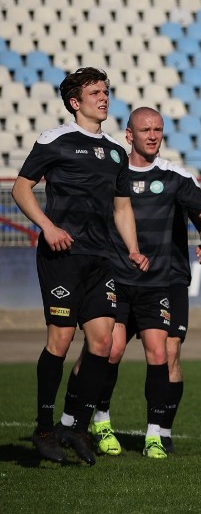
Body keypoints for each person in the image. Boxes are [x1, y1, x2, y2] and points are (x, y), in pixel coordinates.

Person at [59, 106, 201, 458]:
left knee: (166, 352)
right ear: (129, 135)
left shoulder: (174, 175)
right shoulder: (111, 173)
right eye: (146, 129)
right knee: (109, 349)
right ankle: (97, 420)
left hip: (163, 280)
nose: (153, 135)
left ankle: (159, 432)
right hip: (114, 276)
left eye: (158, 129)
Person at [12, 67, 149, 465]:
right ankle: (43, 428)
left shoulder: (114, 151)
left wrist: (133, 248)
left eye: (106, 91)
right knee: (60, 339)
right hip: (62, 257)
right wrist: (48, 227)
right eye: (95, 92)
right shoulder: (54, 140)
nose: (103, 98)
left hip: (102, 258)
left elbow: (121, 206)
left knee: (104, 344)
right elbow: (21, 187)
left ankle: (73, 426)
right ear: (75, 102)